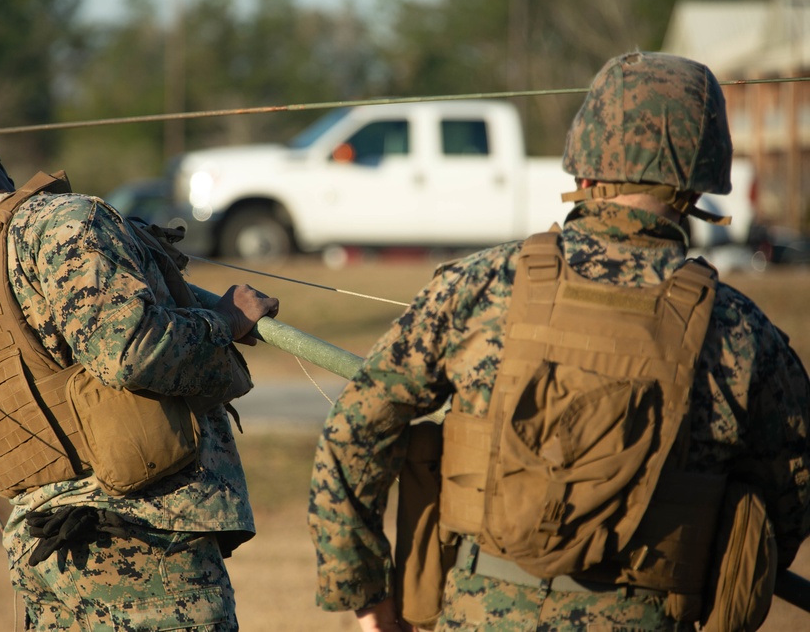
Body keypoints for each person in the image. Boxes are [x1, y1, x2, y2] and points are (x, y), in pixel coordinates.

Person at [308, 51, 810, 631]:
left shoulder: (481, 285)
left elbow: (353, 434)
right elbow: (787, 503)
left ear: (584, 170)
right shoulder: (743, 333)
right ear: (700, 184)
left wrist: (370, 600)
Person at [0, 89, 280, 631]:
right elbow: (131, 350)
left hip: (46, 555)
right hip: (141, 543)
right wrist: (227, 322)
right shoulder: (61, 221)